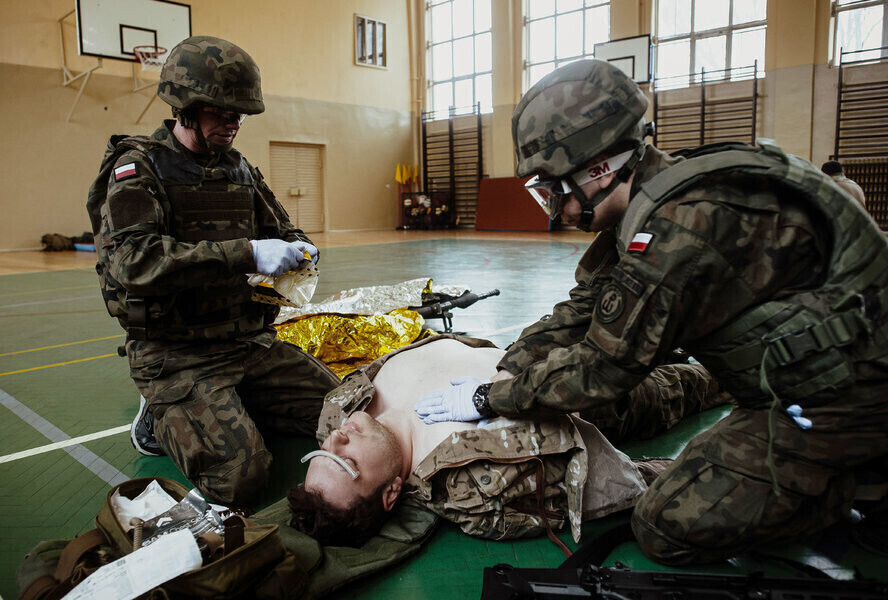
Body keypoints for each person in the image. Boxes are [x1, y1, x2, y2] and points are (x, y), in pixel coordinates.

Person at [413, 59, 888, 565]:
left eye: (554, 187)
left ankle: (858, 483)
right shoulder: (660, 202)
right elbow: (581, 310)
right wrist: (509, 361)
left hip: (838, 401)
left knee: (665, 525)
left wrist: (490, 397)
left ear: (598, 168)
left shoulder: (678, 230)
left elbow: (603, 368)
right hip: (792, 384)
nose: (556, 207)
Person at [88, 36, 340, 508]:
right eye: (222, 112)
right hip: (176, 355)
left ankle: (229, 409)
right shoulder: (138, 168)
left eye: (240, 114)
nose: (234, 123)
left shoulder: (239, 170)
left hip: (247, 343)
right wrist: (245, 252)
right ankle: (158, 416)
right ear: (186, 106)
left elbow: (286, 230)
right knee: (241, 477)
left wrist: (300, 249)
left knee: (347, 412)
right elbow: (134, 262)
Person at [289, 334, 730, 547]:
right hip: (594, 396)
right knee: (701, 381)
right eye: (346, 461)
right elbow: (597, 481)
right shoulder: (466, 476)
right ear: (389, 494)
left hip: (532, 348)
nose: (338, 439)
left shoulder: (346, 413)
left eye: (323, 451)